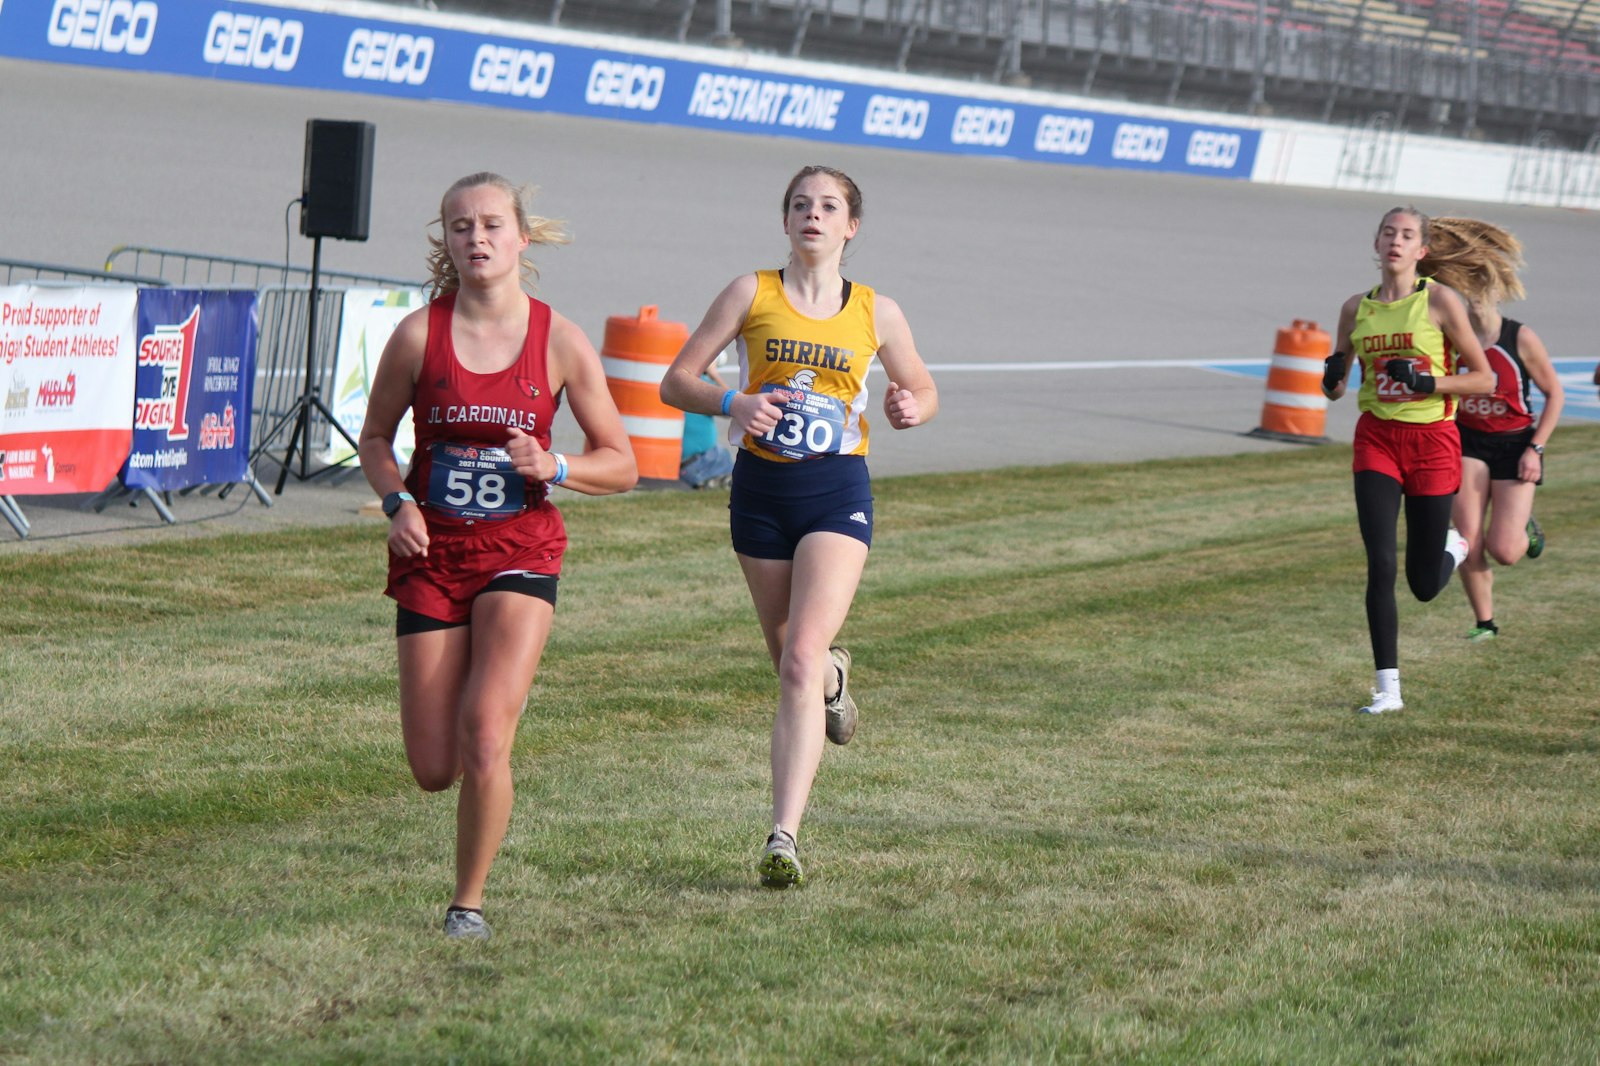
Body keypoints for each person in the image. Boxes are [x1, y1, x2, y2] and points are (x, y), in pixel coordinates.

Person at [357, 173, 637, 939]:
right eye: (459, 227)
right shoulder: (419, 335)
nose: (475, 238)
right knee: (432, 766)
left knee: (486, 732)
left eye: (489, 225)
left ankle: (467, 904)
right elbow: (376, 439)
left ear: (520, 236)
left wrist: (558, 466)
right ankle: (466, 860)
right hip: (431, 552)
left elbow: (624, 462)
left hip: (519, 550)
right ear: (444, 242)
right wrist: (397, 502)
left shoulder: (561, 341)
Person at [659, 165, 938, 888]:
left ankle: (783, 836)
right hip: (760, 493)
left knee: (796, 658)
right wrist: (733, 404)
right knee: (792, 660)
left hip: (834, 491)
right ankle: (834, 678)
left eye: (829, 206)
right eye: (800, 205)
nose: (813, 215)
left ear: (851, 227)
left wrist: (915, 408)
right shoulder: (752, 293)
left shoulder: (878, 311)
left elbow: (922, 387)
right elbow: (675, 379)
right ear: (785, 221)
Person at [1321, 205, 1494, 715]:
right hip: (1377, 439)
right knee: (1379, 563)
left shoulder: (1439, 301)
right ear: (1376, 244)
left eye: (1407, 235)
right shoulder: (1356, 309)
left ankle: (1456, 544)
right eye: (1388, 233)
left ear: (1421, 251)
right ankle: (1387, 691)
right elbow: (1336, 387)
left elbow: (1484, 378)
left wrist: (1426, 382)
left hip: (1433, 441)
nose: (1395, 241)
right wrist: (1331, 377)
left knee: (1421, 584)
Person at [1419, 217, 1563, 642]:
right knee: (1467, 539)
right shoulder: (1449, 338)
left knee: (1504, 550)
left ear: (1495, 292)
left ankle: (1524, 528)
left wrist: (1535, 449)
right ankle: (1486, 623)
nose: (1472, 302)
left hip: (1516, 444)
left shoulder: (1521, 338)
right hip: (1466, 442)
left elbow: (1554, 395)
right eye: (1465, 296)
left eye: (1478, 294)